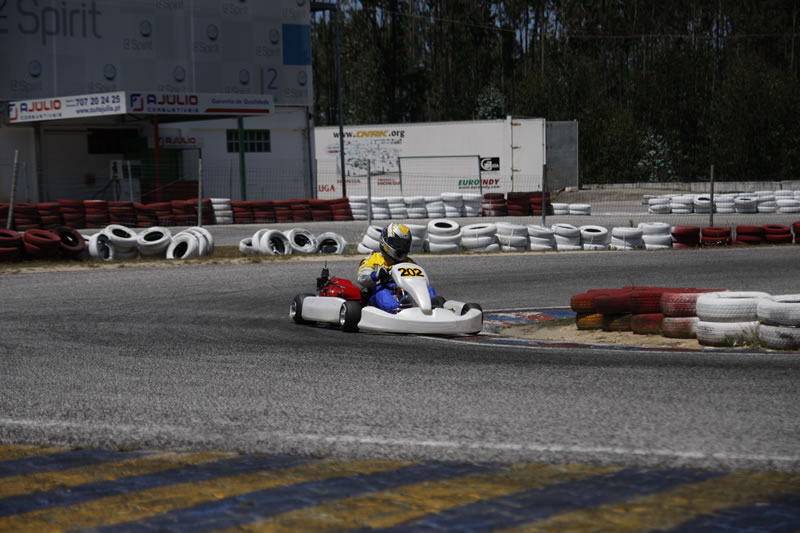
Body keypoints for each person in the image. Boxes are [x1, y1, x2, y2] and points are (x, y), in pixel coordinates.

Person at [357, 223, 435, 312]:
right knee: (383, 295)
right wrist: (377, 274)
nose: (402, 247)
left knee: (429, 290)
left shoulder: (409, 262)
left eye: (404, 244)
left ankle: (432, 309)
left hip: (406, 291)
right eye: (398, 244)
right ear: (386, 241)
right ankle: (397, 311)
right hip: (382, 291)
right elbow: (361, 278)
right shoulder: (373, 258)